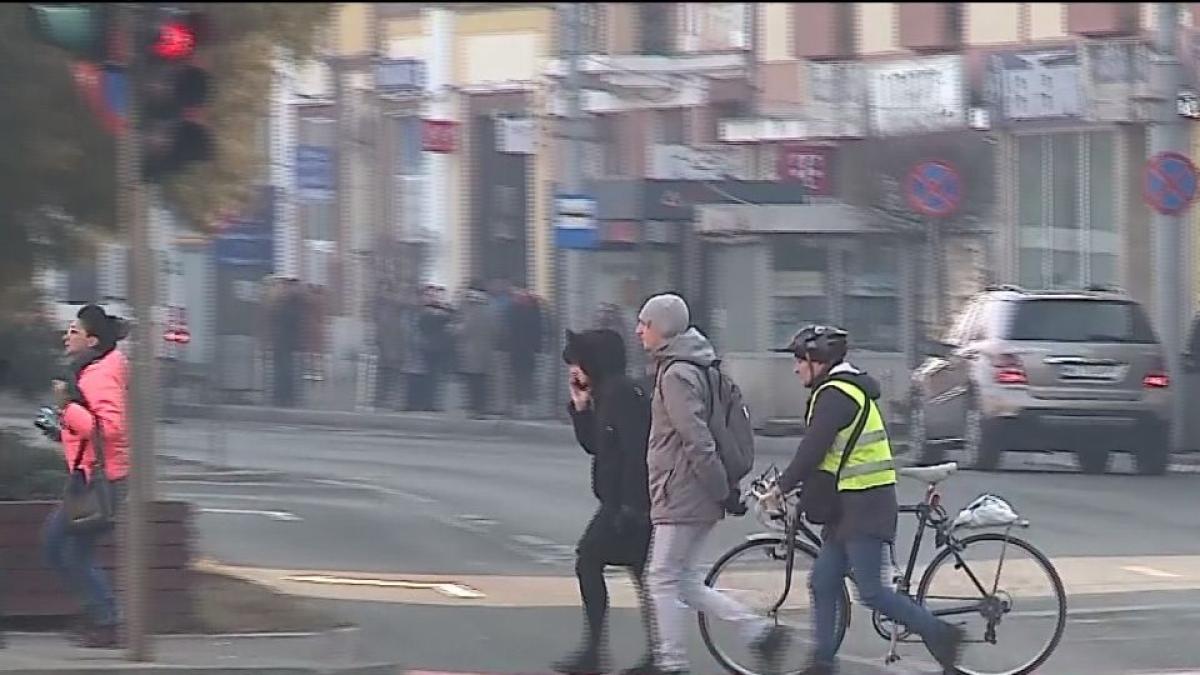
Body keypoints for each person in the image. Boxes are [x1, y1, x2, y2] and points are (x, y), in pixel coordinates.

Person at [767, 324, 963, 675]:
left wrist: (782, 486)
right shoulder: (840, 390)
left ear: (817, 360)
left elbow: (813, 449)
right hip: (847, 506)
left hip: (865, 505)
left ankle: (941, 634)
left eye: (799, 360)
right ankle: (823, 663)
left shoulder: (836, 395)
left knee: (872, 592)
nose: (795, 369)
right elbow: (829, 456)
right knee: (823, 580)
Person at [636, 293, 788, 675]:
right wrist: (721, 489)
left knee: (661, 578)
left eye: (645, 323)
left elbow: (697, 439)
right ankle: (757, 631)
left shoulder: (677, 375)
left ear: (662, 328)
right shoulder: (702, 366)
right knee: (685, 580)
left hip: (683, 490)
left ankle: (672, 662)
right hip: (696, 490)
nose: (639, 330)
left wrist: (721, 490)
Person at [554, 329, 656, 675]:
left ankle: (599, 653)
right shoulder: (608, 393)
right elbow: (596, 446)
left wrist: (633, 507)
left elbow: (636, 452)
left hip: (629, 503)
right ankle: (655, 653)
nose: (573, 370)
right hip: (622, 501)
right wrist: (581, 407)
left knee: (591, 560)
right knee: (643, 575)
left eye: (578, 363)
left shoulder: (622, 394)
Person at [44, 304, 131, 649]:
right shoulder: (90, 369)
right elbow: (89, 429)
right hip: (89, 476)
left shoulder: (100, 375)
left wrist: (67, 408)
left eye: (74, 332)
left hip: (101, 481)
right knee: (64, 550)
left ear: (92, 341)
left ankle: (105, 619)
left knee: (61, 548)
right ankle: (101, 616)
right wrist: (59, 428)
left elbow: (110, 428)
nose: (66, 336)